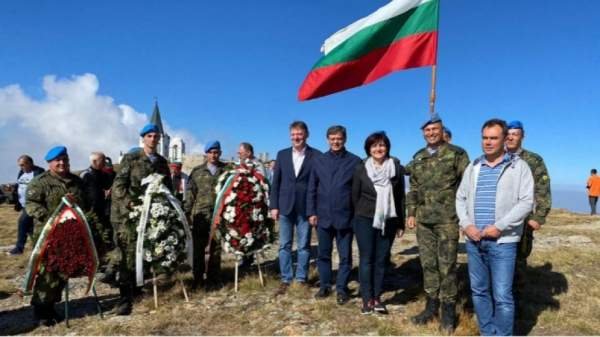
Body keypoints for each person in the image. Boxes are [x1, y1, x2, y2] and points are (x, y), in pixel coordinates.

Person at [456, 118, 534, 336]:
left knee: (502, 295)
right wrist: (466, 224)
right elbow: (460, 198)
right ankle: (488, 332)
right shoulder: (474, 166)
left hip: (502, 242)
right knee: (479, 292)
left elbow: (527, 201)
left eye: (493, 138)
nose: (488, 142)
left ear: (505, 139)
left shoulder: (519, 167)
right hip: (474, 240)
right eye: (485, 138)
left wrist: (500, 226)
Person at [405, 115, 470, 333]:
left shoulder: (457, 154)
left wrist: (465, 217)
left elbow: (467, 186)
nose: (431, 133)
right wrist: (411, 213)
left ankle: (448, 313)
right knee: (428, 265)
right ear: (423, 133)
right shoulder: (418, 157)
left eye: (435, 129)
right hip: (424, 222)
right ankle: (431, 307)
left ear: (442, 131)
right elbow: (413, 188)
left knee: (447, 266)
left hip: (447, 220)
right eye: (427, 130)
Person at [111, 123, 173, 315]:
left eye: (156, 137)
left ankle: (138, 290)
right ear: (143, 138)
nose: (153, 139)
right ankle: (124, 298)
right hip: (129, 216)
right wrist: (131, 205)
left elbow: (168, 188)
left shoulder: (162, 162)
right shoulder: (131, 158)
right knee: (127, 256)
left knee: (145, 252)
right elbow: (119, 186)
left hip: (153, 214)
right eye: (150, 136)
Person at [25, 146, 88, 326]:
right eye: (57, 160)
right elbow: (31, 205)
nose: (62, 163)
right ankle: (41, 309)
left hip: (71, 234)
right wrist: (52, 219)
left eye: (65, 160)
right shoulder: (39, 182)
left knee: (63, 269)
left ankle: (52, 305)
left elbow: (84, 203)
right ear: (49, 163)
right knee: (48, 272)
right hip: (48, 235)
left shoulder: (76, 182)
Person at [306, 125, 361, 305]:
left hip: (346, 216)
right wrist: (311, 212)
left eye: (339, 138)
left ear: (344, 139)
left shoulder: (355, 161)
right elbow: (312, 188)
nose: (335, 141)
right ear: (327, 140)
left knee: (345, 256)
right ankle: (325, 285)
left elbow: (358, 190)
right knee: (323, 254)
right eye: (332, 138)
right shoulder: (319, 160)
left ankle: (342, 288)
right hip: (323, 216)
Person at [352, 131, 405, 314]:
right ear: (369, 149)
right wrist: (355, 218)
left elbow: (400, 197)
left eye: (382, 145)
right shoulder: (361, 168)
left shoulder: (396, 167)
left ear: (387, 147)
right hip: (364, 219)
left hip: (389, 220)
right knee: (367, 259)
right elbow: (355, 196)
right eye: (374, 145)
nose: (378, 148)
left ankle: (376, 297)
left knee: (381, 260)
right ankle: (366, 299)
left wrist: (401, 222)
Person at [270, 121, 322, 295]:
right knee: (284, 245)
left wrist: (314, 210)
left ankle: (301, 279)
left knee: (304, 246)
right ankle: (286, 278)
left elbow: (318, 184)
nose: (296, 137)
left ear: (306, 135)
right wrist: (274, 206)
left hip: (306, 208)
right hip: (285, 207)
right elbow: (275, 183)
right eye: (293, 134)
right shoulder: (282, 155)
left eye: (299, 134)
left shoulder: (316, 155)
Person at [505, 120, 552, 310]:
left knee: (518, 259)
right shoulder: (495, 157)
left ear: (522, 136)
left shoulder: (533, 160)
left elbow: (543, 189)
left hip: (522, 220)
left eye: (515, 133)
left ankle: (517, 302)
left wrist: (539, 216)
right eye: (508, 133)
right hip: (496, 219)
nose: (510, 137)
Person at [184, 140, 227, 289]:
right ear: (206, 154)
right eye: (211, 152)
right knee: (198, 248)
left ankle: (214, 278)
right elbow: (190, 194)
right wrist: (186, 212)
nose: (214, 155)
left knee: (216, 248)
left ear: (220, 153)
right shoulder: (197, 172)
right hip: (201, 216)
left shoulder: (226, 170)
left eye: (216, 152)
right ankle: (198, 278)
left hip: (219, 216)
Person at [7, 155, 44, 256]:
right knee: (30, 228)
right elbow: (20, 185)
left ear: (30, 163)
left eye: (23, 165)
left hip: (33, 205)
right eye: (20, 165)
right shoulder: (21, 173)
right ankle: (38, 246)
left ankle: (19, 248)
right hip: (23, 204)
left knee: (22, 222)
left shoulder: (39, 173)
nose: (21, 167)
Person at [81, 152, 115, 253]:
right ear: (94, 161)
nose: (105, 163)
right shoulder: (86, 175)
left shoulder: (104, 174)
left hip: (104, 211)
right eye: (103, 160)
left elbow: (109, 185)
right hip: (90, 212)